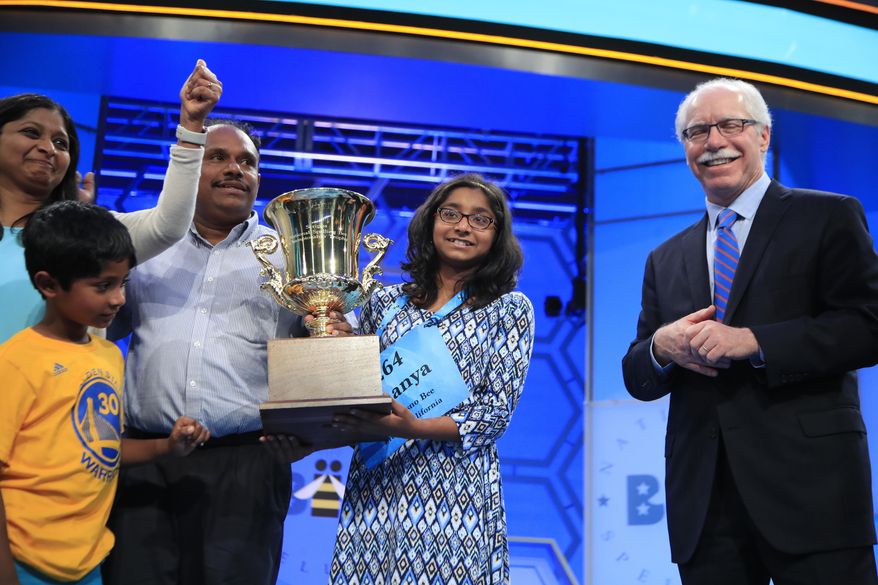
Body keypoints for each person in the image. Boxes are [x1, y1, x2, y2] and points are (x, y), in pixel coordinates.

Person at [621, 77, 878, 584]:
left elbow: (869, 324)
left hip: (813, 494)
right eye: (697, 132)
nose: (714, 141)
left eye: (730, 125)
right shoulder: (665, 257)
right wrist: (660, 347)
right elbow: (636, 373)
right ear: (686, 151)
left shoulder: (827, 216)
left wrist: (758, 342)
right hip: (705, 507)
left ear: (763, 136)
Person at [102, 120, 347, 585]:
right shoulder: (143, 246)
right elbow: (99, 327)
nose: (235, 169)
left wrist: (333, 340)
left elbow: (321, 354)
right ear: (190, 165)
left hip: (246, 466)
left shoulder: (291, 259)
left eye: (247, 162)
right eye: (218, 157)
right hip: (145, 461)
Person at [329, 173, 535, 584]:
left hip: (453, 495)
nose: (462, 226)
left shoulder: (509, 309)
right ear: (430, 222)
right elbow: (355, 388)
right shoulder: (383, 302)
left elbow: (493, 414)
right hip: (376, 484)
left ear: (498, 236)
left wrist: (412, 427)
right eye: (451, 213)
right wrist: (331, 339)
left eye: (481, 219)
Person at [0, 201, 209, 585]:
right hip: (22, 563)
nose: (118, 299)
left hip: (89, 564)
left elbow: (103, 448)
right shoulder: (15, 362)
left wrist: (167, 447)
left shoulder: (110, 354)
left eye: (123, 283)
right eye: (102, 286)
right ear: (48, 284)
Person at [0, 58, 221, 343]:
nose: (47, 149)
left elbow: (168, 225)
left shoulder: (89, 234)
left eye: (61, 143)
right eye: (31, 132)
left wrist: (191, 127)